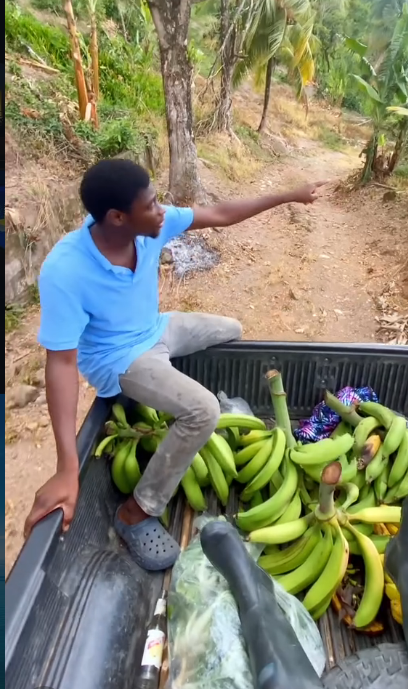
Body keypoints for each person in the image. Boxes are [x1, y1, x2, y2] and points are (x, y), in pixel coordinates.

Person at [24, 158, 325, 571]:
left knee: (232, 328)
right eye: (150, 204)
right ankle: (137, 512)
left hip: (157, 328)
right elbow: (60, 363)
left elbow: (219, 215)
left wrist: (290, 194)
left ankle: (172, 407)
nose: (161, 210)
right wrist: (66, 468)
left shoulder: (150, 224)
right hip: (120, 359)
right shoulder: (65, 270)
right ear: (117, 217)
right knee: (204, 410)